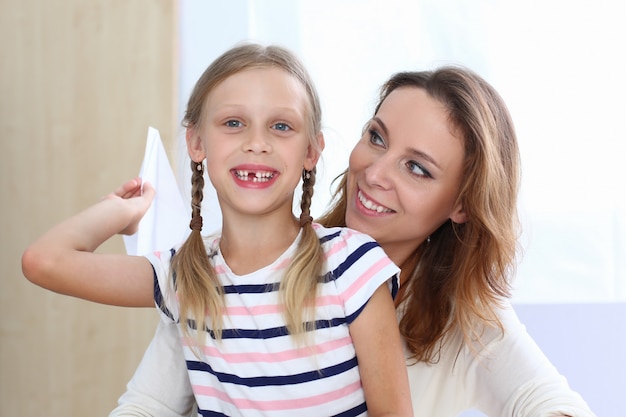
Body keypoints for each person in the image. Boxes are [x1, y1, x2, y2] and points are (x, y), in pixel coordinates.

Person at [107, 66, 597, 417]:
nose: (374, 173)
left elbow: (546, 400)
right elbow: (147, 405)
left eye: (417, 168)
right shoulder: (242, 264)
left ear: (462, 205)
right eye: (377, 138)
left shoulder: (466, 319)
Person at [21, 43, 414, 417]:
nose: (256, 143)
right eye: (233, 123)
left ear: (311, 151)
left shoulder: (352, 263)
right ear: (196, 143)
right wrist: (121, 211)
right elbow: (45, 262)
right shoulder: (183, 278)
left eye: (280, 126)